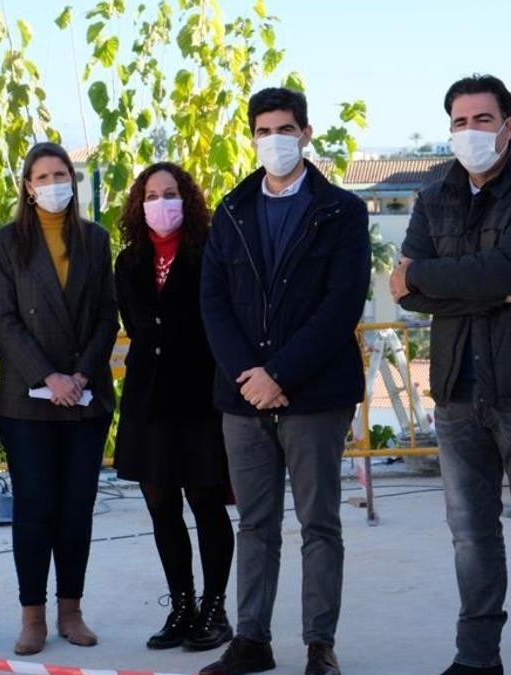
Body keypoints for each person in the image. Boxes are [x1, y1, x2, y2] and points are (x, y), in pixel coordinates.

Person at [389, 74, 511, 675]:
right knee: (471, 540)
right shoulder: (435, 193)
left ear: (509, 125)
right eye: (460, 122)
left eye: (483, 120)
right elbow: (407, 294)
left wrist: (432, 278)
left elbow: (501, 267)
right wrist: (493, 287)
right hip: (457, 391)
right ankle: (477, 661)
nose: (471, 131)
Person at [198, 87, 370, 675]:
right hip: (243, 397)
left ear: (306, 133)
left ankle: (319, 646)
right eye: (264, 130)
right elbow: (214, 301)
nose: (276, 140)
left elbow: (341, 304)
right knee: (255, 523)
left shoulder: (342, 211)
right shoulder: (231, 210)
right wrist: (251, 378)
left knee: (319, 522)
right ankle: (252, 639)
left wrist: (281, 374)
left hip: (314, 395)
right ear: (251, 137)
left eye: (286, 128)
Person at [0, 141, 119, 656]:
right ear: (27, 186)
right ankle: (32, 616)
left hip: (85, 399)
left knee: (76, 508)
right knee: (35, 507)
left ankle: (72, 611)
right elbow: (2, 318)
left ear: (73, 180)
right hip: (28, 400)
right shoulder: (5, 244)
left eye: (60, 174)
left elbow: (108, 313)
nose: (52, 184)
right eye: (41, 176)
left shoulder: (94, 239)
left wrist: (82, 375)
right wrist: (49, 375)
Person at [112, 162, 234, 652]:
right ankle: (181, 607)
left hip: (201, 397)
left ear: (188, 198)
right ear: (138, 205)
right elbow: (139, 329)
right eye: (150, 194)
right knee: (161, 505)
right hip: (148, 399)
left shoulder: (210, 254)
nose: (160, 202)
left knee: (205, 502)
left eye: (170, 192)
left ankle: (214, 608)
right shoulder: (128, 261)